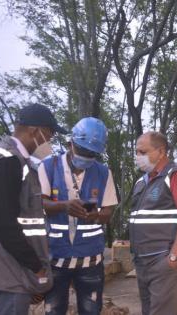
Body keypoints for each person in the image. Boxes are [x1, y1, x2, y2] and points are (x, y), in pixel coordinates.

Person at [0, 103, 67, 315]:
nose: (50, 141)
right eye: (50, 134)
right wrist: (35, 267)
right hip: (7, 272)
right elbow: (4, 223)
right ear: (34, 131)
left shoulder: (13, 160)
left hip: (6, 268)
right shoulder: (8, 161)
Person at [37, 117, 118, 315]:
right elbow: (40, 203)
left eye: (92, 154)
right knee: (54, 310)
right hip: (56, 257)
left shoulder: (103, 173)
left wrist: (93, 215)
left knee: (91, 310)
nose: (87, 157)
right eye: (83, 151)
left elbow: (108, 212)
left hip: (90, 259)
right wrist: (65, 206)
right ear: (70, 143)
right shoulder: (48, 167)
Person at [130, 131, 177, 315]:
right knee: (148, 310)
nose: (138, 157)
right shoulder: (141, 182)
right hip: (142, 260)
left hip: (163, 259)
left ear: (161, 152)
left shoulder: (176, 176)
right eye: (136, 152)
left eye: (142, 152)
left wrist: (173, 257)